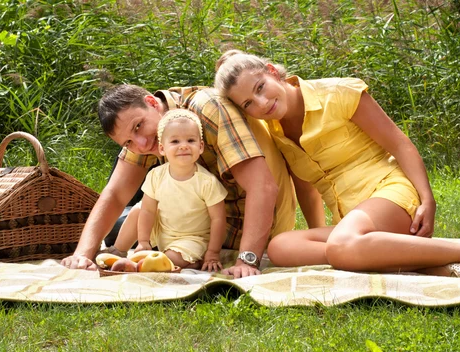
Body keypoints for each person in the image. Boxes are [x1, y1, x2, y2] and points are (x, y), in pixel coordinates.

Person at [213, 50, 460, 282]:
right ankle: (412, 262)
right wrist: (315, 233)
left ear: (271, 71)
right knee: (282, 247)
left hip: (389, 192)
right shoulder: (273, 132)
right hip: (352, 222)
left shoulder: (339, 92)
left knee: (341, 246)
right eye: (248, 104)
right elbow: (305, 186)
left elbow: (399, 143)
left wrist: (428, 199)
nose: (261, 103)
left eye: (259, 88)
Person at [60, 84, 297, 278]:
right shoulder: (150, 133)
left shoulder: (207, 107)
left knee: (132, 223)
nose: (141, 144)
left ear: (153, 103)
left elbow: (263, 187)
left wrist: (247, 260)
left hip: (243, 228)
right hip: (186, 224)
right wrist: (82, 255)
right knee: (124, 221)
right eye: (128, 143)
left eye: (139, 126)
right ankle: (122, 249)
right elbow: (115, 194)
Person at [106, 109, 228, 271]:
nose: (183, 146)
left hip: (192, 239)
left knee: (171, 257)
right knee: (138, 209)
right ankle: (118, 250)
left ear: (200, 147)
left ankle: (177, 261)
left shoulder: (207, 182)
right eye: (175, 142)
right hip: (163, 230)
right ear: (162, 149)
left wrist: (212, 253)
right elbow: (148, 211)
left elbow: (218, 219)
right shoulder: (156, 175)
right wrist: (143, 242)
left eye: (190, 141)